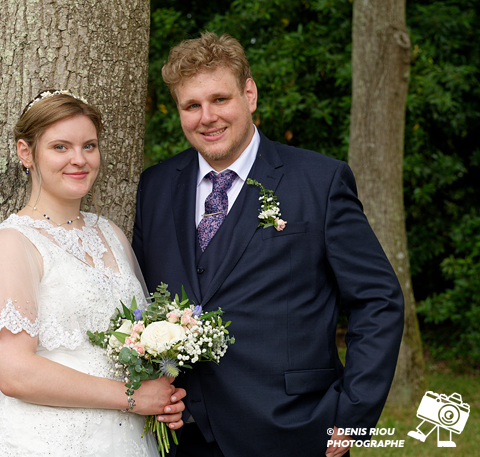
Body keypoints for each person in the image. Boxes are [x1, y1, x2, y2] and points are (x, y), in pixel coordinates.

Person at [132, 32, 405, 457]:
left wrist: (353, 416)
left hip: (294, 430)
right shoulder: (156, 186)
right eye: (192, 106)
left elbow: (378, 299)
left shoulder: (320, 181)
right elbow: (142, 301)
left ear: (250, 94)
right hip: (180, 434)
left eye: (220, 100)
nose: (207, 117)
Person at [0, 90, 185, 457]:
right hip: (44, 441)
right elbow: (14, 373)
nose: (79, 160)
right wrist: (132, 397)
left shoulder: (110, 234)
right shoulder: (10, 244)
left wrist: (161, 391)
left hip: (126, 439)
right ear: (26, 153)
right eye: (60, 147)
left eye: (89, 146)